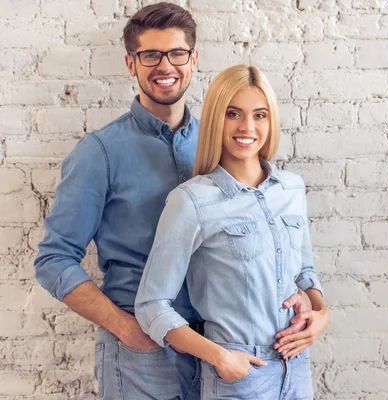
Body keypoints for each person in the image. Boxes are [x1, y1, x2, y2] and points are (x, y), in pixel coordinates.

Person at [34, 3, 319, 399]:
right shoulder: (100, 153)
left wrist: (301, 293)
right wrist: (126, 328)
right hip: (144, 354)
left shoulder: (223, 141)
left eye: (176, 53)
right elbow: (53, 260)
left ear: (193, 59)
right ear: (131, 64)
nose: (164, 65)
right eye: (150, 55)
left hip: (220, 347)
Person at [135, 64, 329, 400]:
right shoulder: (191, 200)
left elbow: (306, 273)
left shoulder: (291, 189)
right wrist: (219, 357)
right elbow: (151, 305)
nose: (247, 127)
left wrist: (320, 314)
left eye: (260, 115)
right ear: (215, 119)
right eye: (233, 113)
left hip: (297, 369)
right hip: (240, 376)